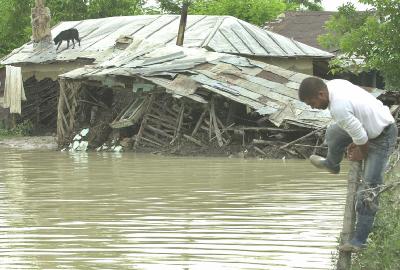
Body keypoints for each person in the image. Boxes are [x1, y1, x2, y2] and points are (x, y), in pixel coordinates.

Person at [298, 77, 397, 252]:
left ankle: (359, 241)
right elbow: (357, 127)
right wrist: (358, 140)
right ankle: (331, 164)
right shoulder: (335, 84)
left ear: (321, 94)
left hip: (383, 135)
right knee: (333, 132)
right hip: (369, 128)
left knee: (368, 191)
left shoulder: (338, 107)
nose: (312, 107)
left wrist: (361, 148)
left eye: (311, 103)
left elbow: (361, 138)